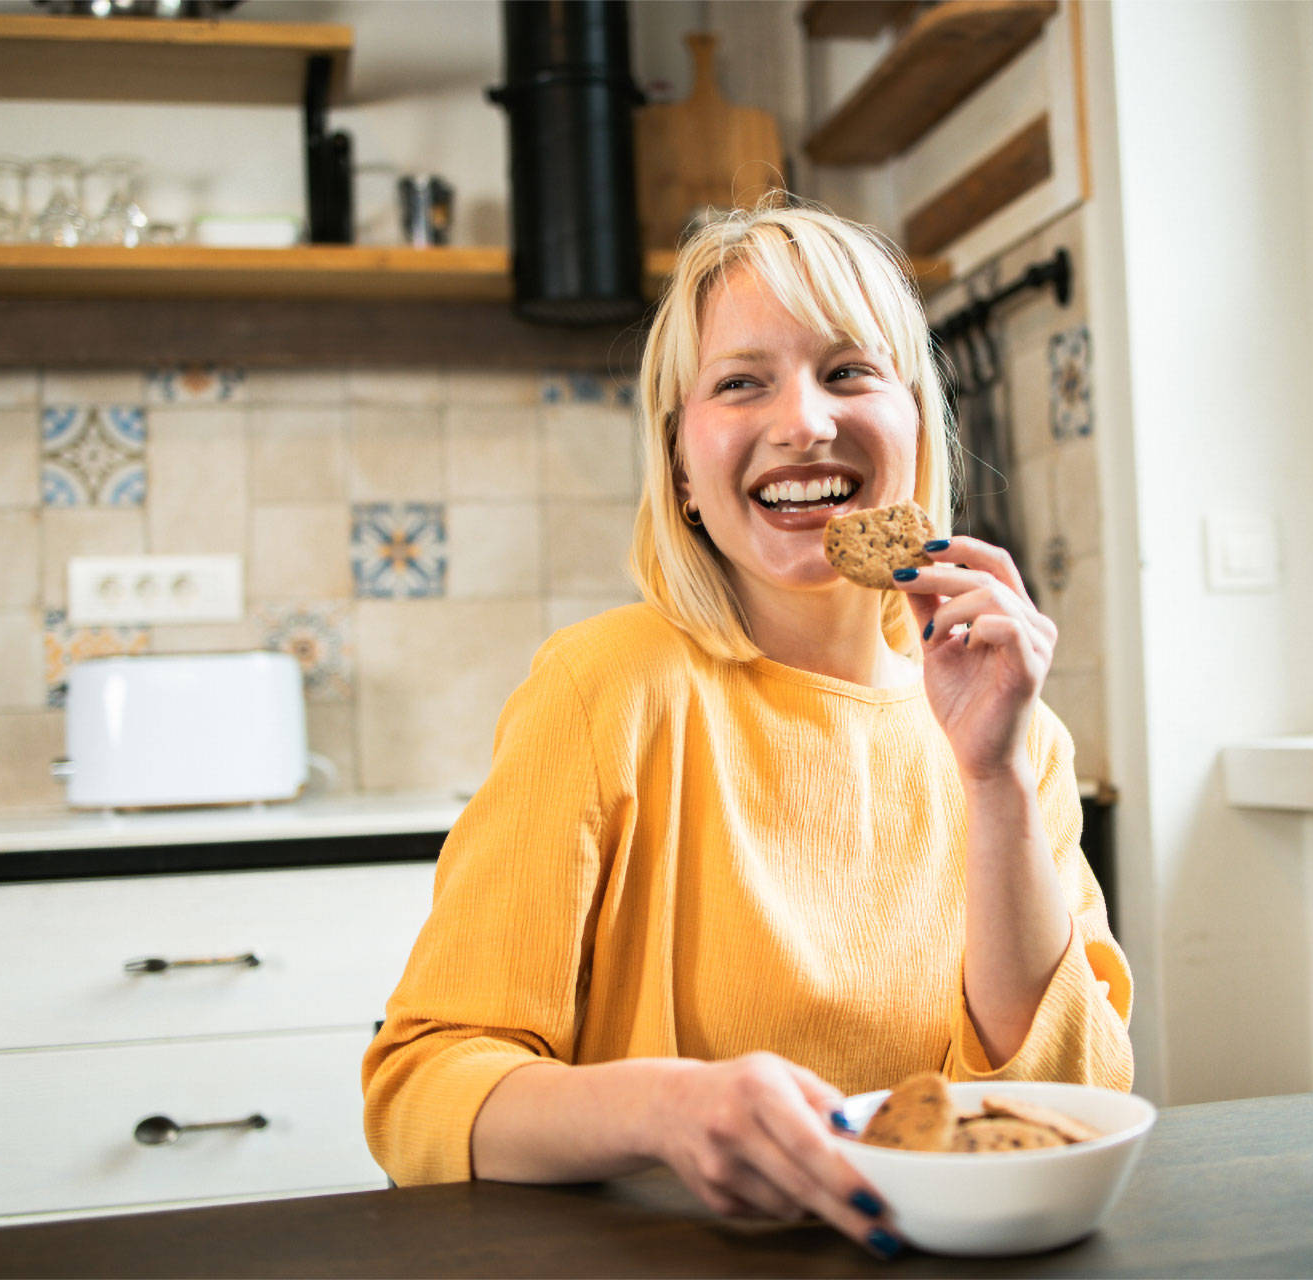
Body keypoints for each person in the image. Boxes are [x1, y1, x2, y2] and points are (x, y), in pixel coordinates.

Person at [362, 200, 1133, 1259]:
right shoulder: (603, 691)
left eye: (850, 370)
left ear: (915, 424)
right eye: (740, 381)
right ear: (681, 463)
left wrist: (992, 778)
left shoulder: (1020, 736)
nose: (804, 420)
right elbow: (419, 1091)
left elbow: (1063, 1112)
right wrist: (663, 1109)